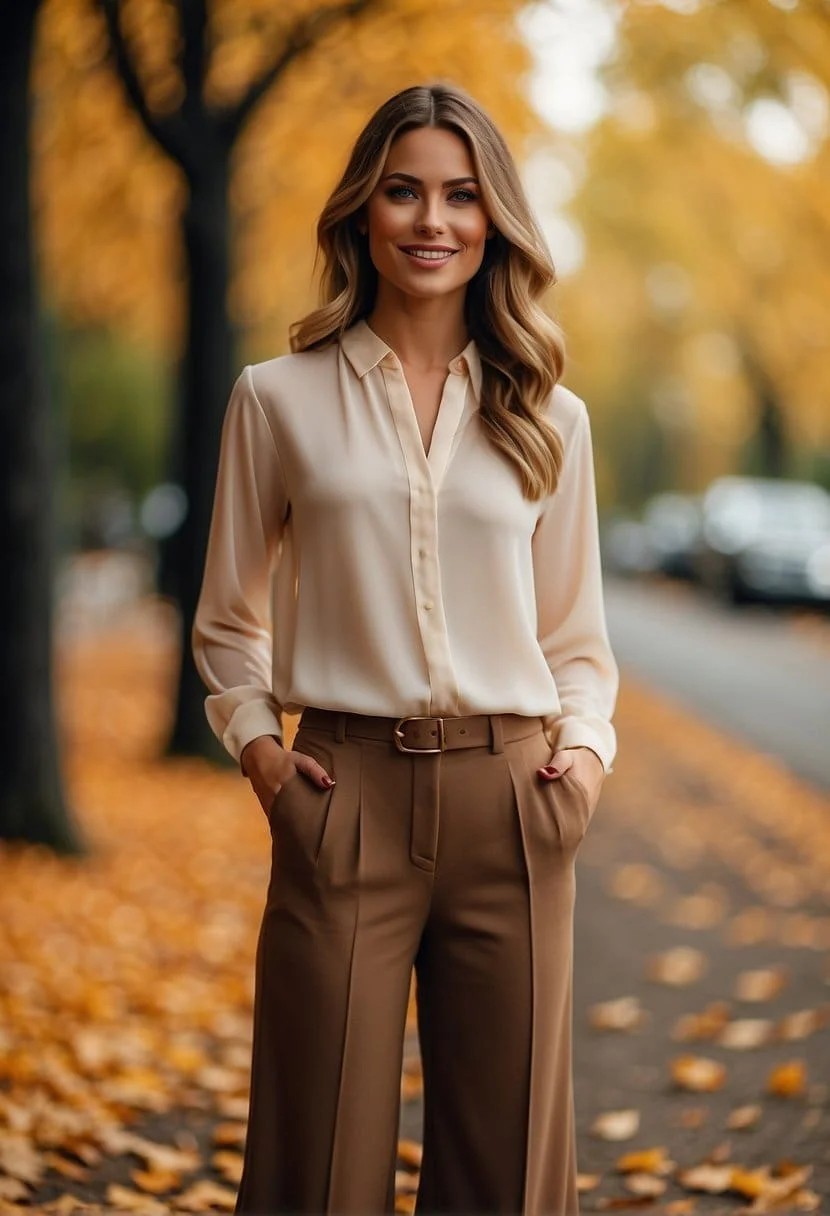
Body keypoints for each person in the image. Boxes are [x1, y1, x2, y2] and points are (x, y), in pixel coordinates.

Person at [192, 81, 619, 1216]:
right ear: (361, 214)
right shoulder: (275, 401)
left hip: (514, 800)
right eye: (403, 192)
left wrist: (579, 763)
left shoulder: (547, 416)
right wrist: (262, 755)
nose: (432, 222)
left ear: (494, 222)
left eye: (461, 196)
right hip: (342, 795)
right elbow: (229, 623)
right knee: (314, 1166)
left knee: (504, 1171)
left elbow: (576, 637)